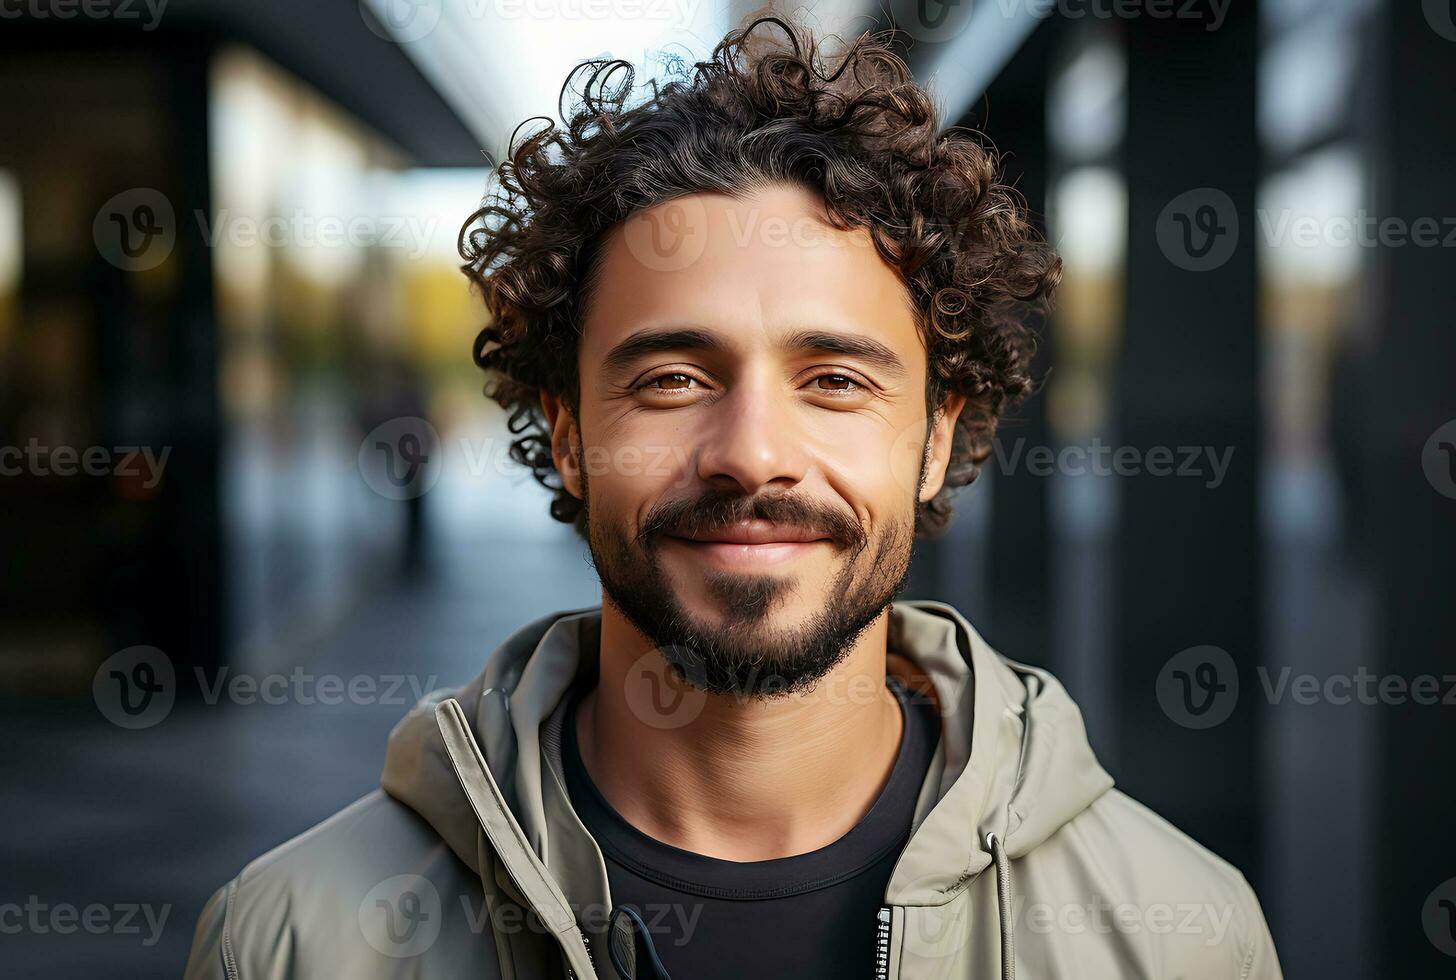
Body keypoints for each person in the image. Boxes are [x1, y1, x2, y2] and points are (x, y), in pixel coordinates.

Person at [185, 15, 1281, 979]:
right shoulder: (290, 940)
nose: (752, 454)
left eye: (836, 380)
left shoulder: (1180, 937)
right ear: (567, 435)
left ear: (938, 440)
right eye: (673, 379)